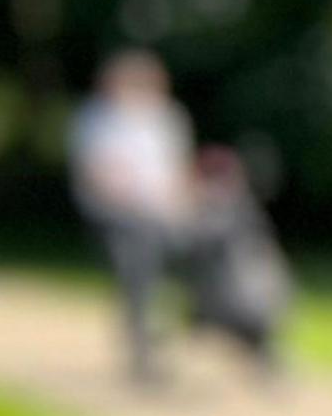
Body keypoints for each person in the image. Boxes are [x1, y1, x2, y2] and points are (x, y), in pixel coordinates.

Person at [65, 48, 195, 386]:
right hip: (117, 214)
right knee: (140, 248)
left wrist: (178, 205)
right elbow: (98, 175)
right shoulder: (97, 118)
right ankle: (143, 344)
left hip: (165, 214)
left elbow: (179, 176)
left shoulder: (167, 119)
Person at [178, 144, 294, 380]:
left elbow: (190, 246)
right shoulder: (245, 211)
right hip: (263, 303)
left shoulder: (217, 212)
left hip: (233, 305)